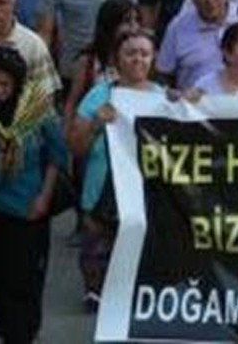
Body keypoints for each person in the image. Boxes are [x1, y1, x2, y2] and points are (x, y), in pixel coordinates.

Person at [0, 47, 67, 344]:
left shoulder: (37, 109)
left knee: (23, 279)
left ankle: (23, 334)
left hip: (27, 210)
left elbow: (56, 156)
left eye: (5, 85)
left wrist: (44, 197)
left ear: (17, 83)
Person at [68, 28, 164, 309]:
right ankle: (96, 292)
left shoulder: (162, 98)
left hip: (144, 191)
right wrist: (96, 123)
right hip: (102, 188)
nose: (138, 59)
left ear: (153, 58)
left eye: (144, 53)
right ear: (117, 59)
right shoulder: (99, 95)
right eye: (131, 53)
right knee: (96, 249)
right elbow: (75, 147)